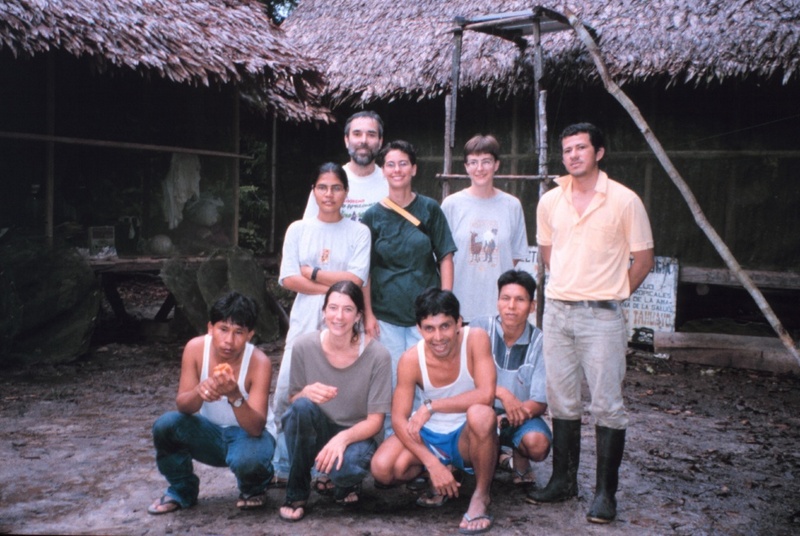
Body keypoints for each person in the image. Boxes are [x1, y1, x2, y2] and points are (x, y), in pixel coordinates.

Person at [527, 123, 654, 524]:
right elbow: (548, 253)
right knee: (562, 398)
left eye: (581, 148)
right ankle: (563, 481)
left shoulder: (624, 200)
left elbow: (644, 260)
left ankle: (604, 493)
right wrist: (570, 288)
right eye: (567, 150)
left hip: (603, 316)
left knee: (606, 405)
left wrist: (611, 292)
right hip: (559, 312)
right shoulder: (550, 201)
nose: (573, 156)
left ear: (599, 152)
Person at [272, 163, 372, 483]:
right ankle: (283, 464)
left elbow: (357, 278)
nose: (329, 194)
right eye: (322, 187)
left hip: (344, 322)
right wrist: (336, 289)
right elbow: (288, 278)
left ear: (346, 192)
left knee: (335, 392)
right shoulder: (298, 229)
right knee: (288, 389)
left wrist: (312, 273)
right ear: (313, 191)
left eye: (336, 188)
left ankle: (328, 466)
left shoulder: (359, 231)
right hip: (304, 320)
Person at [370, 288, 498, 535]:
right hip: (431, 434)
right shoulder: (410, 359)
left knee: (482, 415)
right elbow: (398, 418)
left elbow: (486, 395)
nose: (438, 337)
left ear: (459, 322)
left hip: (466, 434)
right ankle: (440, 472)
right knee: (382, 468)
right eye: (429, 328)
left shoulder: (476, 339)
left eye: (445, 326)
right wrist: (432, 464)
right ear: (419, 329)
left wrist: (431, 406)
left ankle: (482, 494)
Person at [148, 292, 274, 514]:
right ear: (210, 328)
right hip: (210, 434)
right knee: (166, 425)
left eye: (238, 333)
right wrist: (200, 391)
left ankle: (253, 487)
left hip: (249, 437)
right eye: (223, 329)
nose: (228, 341)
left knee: (249, 459)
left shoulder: (259, 362)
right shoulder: (195, 349)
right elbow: (183, 407)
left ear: (250, 335)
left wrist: (235, 396)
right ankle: (181, 490)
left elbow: (256, 427)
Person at [361, 140, 457, 430]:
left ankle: (429, 440)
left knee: (428, 381)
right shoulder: (372, 216)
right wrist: (368, 314)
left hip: (426, 317)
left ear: (414, 168)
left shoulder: (429, 209)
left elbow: (446, 257)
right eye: (390, 164)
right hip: (386, 316)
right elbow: (364, 271)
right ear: (383, 171)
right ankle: (394, 443)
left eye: (403, 163)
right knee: (391, 383)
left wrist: (446, 306)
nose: (397, 169)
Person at [279, 281, 392, 522]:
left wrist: (342, 439)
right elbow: (294, 401)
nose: (339, 316)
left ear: (359, 315)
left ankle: (345, 483)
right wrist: (306, 392)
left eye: (348, 309)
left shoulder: (378, 355)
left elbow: (376, 421)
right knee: (301, 407)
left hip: (357, 435)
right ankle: (296, 492)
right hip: (318, 429)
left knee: (346, 468)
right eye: (333, 308)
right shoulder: (304, 346)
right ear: (323, 311)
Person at [470, 270, 551, 488]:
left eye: (520, 300)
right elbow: (464, 378)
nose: (511, 306)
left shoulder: (541, 342)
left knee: (537, 444)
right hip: (478, 410)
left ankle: (517, 459)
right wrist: (500, 393)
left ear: (532, 306)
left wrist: (506, 417)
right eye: (505, 298)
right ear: (497, 302)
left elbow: (540, 402)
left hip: (520, 416)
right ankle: (493, 458)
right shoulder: (479, 329)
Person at [442, 135, 529, 322]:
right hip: (461, 307)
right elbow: (442, 257)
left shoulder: (512, 205)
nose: (479, 168)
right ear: (466, 167)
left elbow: (513, 256)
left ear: (496, 164)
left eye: (486, 162)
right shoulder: (451, 205)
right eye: (473, 162)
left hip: (501, 309)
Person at [302, 110, 388, 222]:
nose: (364, 140)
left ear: (380, 141)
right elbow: (308, 231)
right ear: (346, 140)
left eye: (371, 135)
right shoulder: (328, 181)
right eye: (357, 134)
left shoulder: (391, 183)